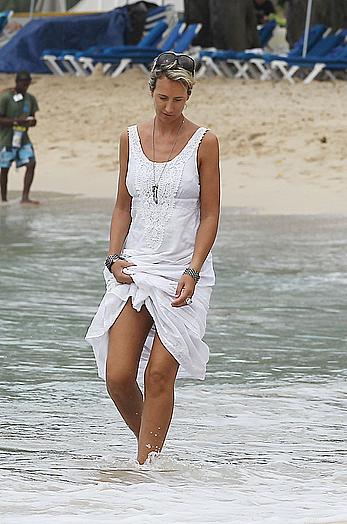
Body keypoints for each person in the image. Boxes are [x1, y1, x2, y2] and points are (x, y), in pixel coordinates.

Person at [86, 52, 220, 465]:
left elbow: (211, 213)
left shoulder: (205, 142)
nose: (169, 108)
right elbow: (122, 205)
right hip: (137, 268)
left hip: (184, 271)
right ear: (151, 92)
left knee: (159, 373)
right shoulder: (130, 138)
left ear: (188, 96)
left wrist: (193, 270)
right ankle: (158, 459)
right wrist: (112, 257)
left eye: (178, 100)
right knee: (118, 376)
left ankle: (147, 470)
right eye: (162, 98)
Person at [0, 70, 39, 204]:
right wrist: (16, 121)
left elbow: (33, 117)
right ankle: (3, 198)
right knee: (4, 168)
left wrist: (32, 122)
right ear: (17, 83)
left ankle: (25, 197)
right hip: (6, 139)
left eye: (27, 85)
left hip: (23, 138)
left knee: (31, 163)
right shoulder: (5, 98)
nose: (25, 87)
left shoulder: (30, 99)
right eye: (23, 84)